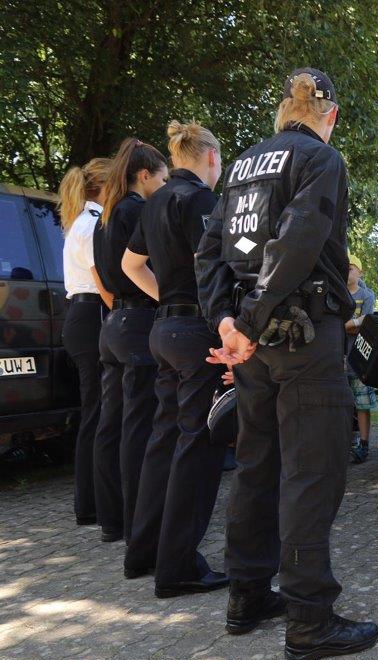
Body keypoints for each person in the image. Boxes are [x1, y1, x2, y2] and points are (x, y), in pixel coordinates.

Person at [196, 67, 378, 660]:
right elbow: (299, 239)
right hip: (302, 339)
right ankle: (309, 621)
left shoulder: (245, 164)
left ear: (283, 111)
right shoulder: (321, 159)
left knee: (257, 467)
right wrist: (242, 325)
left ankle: (246, 595)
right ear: (330, 115)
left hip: (253, 348)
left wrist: (228, 324)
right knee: (311, 474)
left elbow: (211, 252)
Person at [120, 121, 228, 597]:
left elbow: (129, 265)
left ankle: (143, 552)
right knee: (198, 446)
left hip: (161, 329)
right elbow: (216, 269)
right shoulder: (199, 200)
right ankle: (178, 566)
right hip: (194, 333)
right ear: (210, 157)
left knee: (163, 440)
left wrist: (168, 299)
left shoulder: (155, 199)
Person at [92, 138, 168, 544]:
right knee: (139, 426)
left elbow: (101, 275)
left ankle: (112, 520)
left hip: (112, 323)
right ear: (144, 176)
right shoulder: (138, 209)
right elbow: (150, 263)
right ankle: (141, 523)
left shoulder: (105, 214)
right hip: (139, 318)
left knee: (113, 424)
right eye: (162, 178)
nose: (165, 185)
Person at [57, 157, 112, 526]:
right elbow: (103, 282)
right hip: (91, 314)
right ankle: (90, 503)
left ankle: (88, 502)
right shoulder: (91, 225)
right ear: (104, 188)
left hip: (79, 317)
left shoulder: (79, 222)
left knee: (92, 409)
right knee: (96, 411)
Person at [344, 254, 376, 464]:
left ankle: (364, 444)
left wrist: (350, 323)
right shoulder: (338, 293)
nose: (347, 271)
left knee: (363, 403)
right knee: (343, 403)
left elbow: (367, 321)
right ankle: (345, 442)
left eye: (351, 268)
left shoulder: (367, 295)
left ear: (360, 272)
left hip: (360, 355)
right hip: (339, 355)